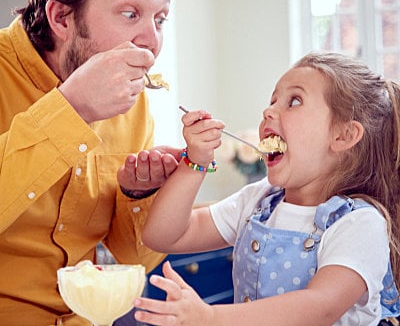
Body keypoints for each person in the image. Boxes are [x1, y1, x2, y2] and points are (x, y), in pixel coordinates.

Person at [134, 52, 400, 326]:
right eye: (272, 100)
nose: (268, 111)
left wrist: (210, 317)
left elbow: (320, 307)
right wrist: (195, 163)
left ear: (343, 135)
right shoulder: (259, 200)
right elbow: (162, 236)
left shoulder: (360, 223)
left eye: (293, 101)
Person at [0, 0, 182, 324]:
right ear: (61, 17)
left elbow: (134, 258)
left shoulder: (135, 107)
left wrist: (139, 194)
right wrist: (73, 108)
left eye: (161, 19)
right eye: (130, 13)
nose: (151, 40)